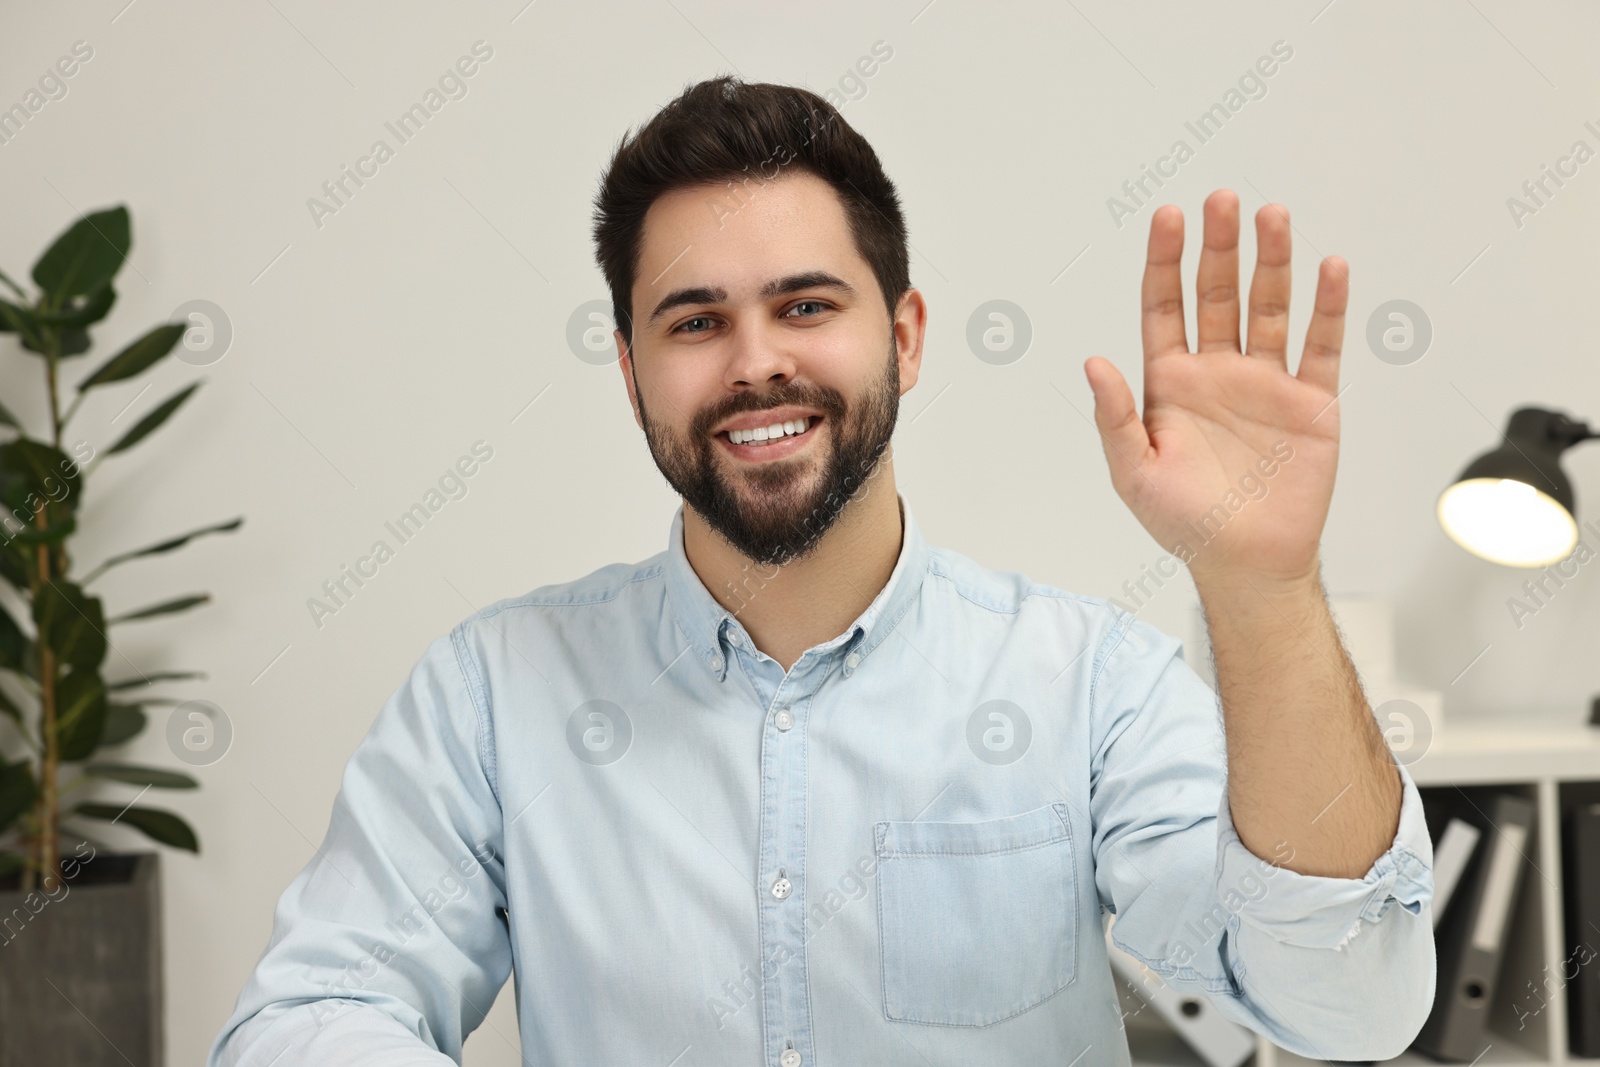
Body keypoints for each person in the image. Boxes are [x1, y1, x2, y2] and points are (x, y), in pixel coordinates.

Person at [209, 75, 1434, 1067]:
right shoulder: (494, 693)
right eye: (694, 321)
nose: (754, 364)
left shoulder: (1088, 683)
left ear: (900, 334)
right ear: (633, 374)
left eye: (805, 306)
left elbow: (1349, 1002)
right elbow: (309, 1011)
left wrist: (1263, 589)